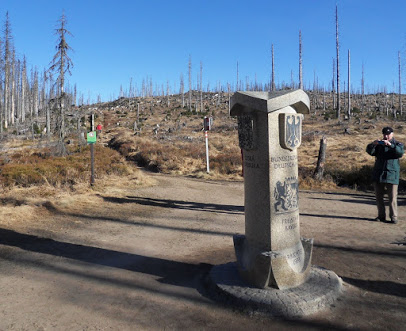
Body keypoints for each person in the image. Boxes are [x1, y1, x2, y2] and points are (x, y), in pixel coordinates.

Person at [366, 126, 404, 224]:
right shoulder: (380, 145)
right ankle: (381, 215)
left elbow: (400, 153)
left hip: (392, 175)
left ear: (392, 134)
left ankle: (394, 217)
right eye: (384, 134)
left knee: (392, 198)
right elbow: (370, 152)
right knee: (379, 197)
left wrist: (390, 145)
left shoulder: (397, 144)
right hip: (379, 174)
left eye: (388, 134)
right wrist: (374, 144)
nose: (386, 136)